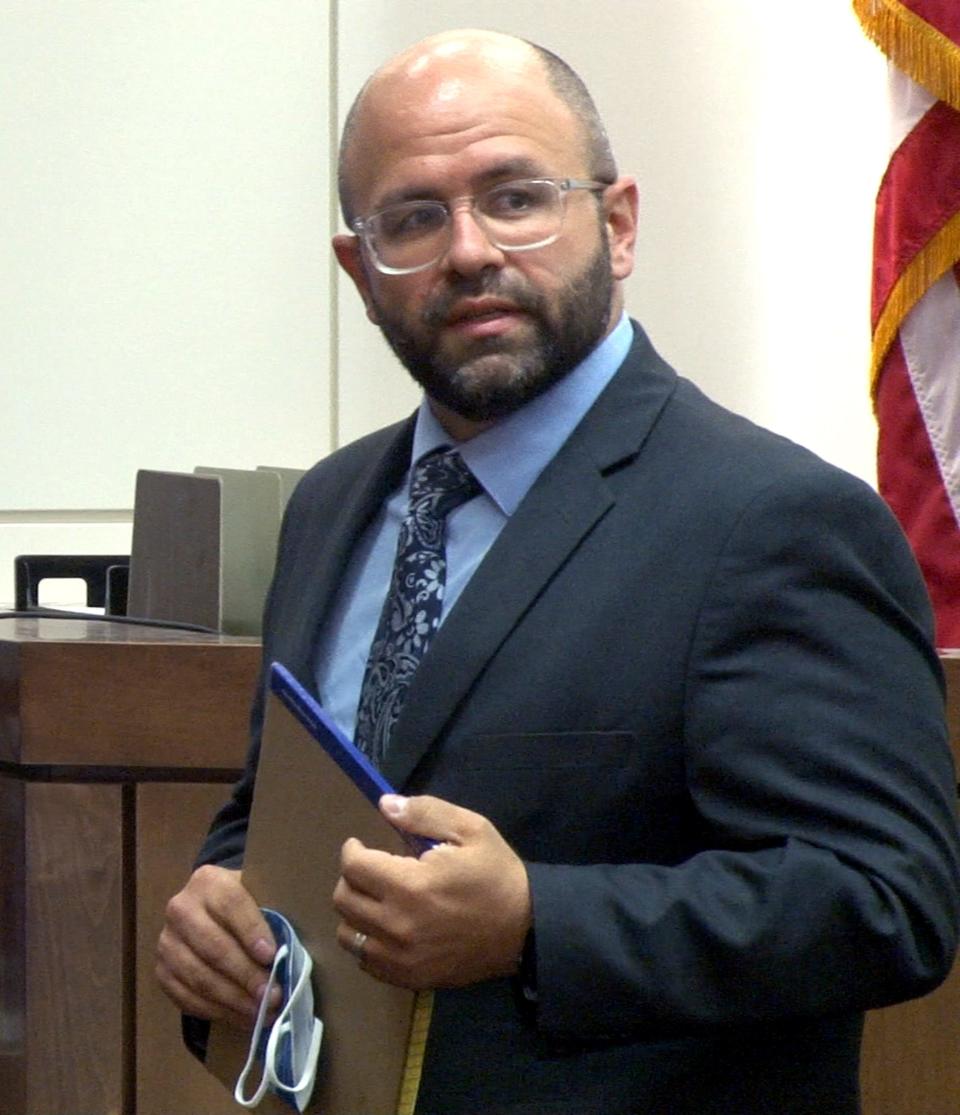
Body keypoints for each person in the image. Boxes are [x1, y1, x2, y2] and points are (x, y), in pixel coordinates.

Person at [156, 28, 960, 1115]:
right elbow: (289, 801)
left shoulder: (773, 520)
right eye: (413, 218)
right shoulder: (333, 505)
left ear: (618, 225)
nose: (471, 249)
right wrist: (222, 897)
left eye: (517, 197)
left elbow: (886, 900)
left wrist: (537, 919)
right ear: (359, 269)